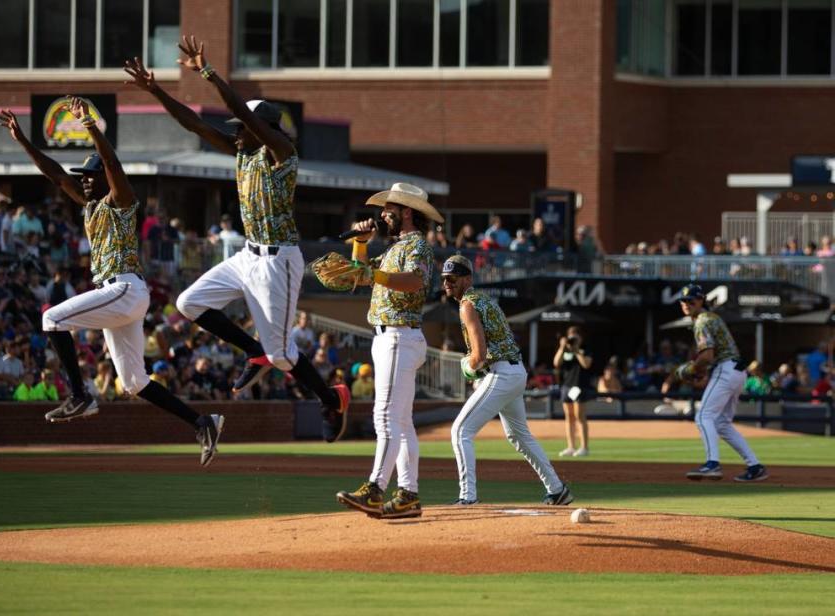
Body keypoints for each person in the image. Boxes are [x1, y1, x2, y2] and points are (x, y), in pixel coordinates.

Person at [124, 42, 349, 440]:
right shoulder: (244, 152)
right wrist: (156, 91)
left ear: (261, 129)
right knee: (188, 302)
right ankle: (252, 349)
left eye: (242, 129)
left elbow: (244, 115)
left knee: (283, 355)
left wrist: (208, 72)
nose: (236, 134)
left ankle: (330, 397)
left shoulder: (282, 151)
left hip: (278, 262)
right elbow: (195, 125)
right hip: (247, 256)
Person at [0, 97, 223, 466]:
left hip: (123, 288)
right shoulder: (90, 206)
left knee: (51, 318)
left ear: (105, 176)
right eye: (83, 176)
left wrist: (91, 128)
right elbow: (55, 174)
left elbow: (113, 164)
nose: (84, 180)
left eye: (90, 174)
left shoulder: (122, 200)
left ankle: (80, 395)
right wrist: (22, 139)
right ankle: (202, 423)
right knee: (133, 382)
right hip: (122, 297)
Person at [335, 182, 439, 519]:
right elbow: (362, 276)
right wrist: (360, 245)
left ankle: (375, 489)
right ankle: (408, 494)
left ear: (406, 212)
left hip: (399, 337)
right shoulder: (396, 247)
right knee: (403, 423)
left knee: (386, 418)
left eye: (388, 209)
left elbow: (414, 281)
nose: (382, 214)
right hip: (391, 338)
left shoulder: (417, 246)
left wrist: (373, 273)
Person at [440, 255, 573, 507]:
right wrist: (478, 366)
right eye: (445, 279)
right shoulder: (484, 299)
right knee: (519, 436)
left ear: (467, 279)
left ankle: (468, 497)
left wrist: (468, 367)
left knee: (460, 431)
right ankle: (557, 489)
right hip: (515, 372)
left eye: (452, 278)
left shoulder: (468, 303)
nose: (447, 283)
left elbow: (478, 355)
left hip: (502, 373)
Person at [661, 284, 768, 482]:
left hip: (726, 369)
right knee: (721, 422)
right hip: (736, 371)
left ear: (701, 300)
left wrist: (685, 371)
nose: (686, 304)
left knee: (704, 416)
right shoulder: (712, 318)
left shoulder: (702, 320)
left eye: (691, 300)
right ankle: (755, 466)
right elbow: (710, 358)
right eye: (683, 301)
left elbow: (707, 356)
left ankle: (712, 464)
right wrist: (699, 371)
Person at [554, 325, 593, 457]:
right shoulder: (565, 350)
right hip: (566, 385)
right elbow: (556, 363)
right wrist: (562, 347)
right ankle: (571, 446)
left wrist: (577, 350)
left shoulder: (585, 349)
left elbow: (586, 364)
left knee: (579, 416)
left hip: (579, 385)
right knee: (569, 417)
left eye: (575, 337)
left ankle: (584, 447)